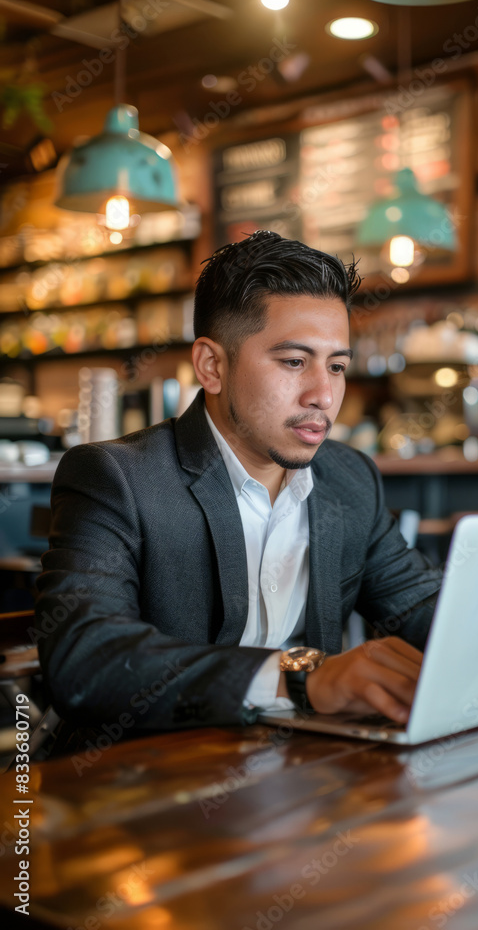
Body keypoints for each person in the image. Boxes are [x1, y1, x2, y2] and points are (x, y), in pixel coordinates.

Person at [35, 231, 442, 750]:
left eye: (337, 366)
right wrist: (301, 677)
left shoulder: (348, 479)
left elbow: (423, 606)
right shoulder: (117, 478)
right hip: (137, 792)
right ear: (212, 366)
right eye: (294, 361)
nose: (324, 395)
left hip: (301, 783)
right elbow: (85, 659)